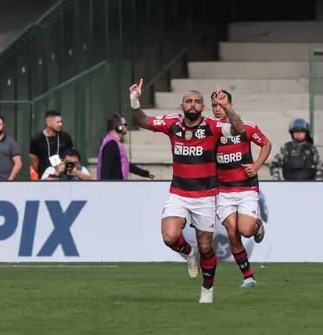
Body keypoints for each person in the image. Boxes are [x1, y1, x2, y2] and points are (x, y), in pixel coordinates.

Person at [130, 79, 244, 304]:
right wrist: (134, 99)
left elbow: (239, 129)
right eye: (188, 101)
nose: (193, 104)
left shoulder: (212, 126)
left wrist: (228, 108)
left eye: (198, 102)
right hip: (179, 193)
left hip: (205, 196)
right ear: (181, 106)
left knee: (206, 246)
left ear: (203, 106)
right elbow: (143, 121)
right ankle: (189, 254)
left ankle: (207, 289)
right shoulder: (172, 123)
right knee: (169, 236)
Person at [211, 89, 272, 289]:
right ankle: (248, 277)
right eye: (214, 105)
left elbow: (266, 144)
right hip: (223, 191)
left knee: (245, 230)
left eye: (222, 104)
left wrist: (256, 166)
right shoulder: (210, 131)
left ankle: (257, 224)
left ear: (230, 104)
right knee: (231, 233)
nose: (218, 108)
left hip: (246, 188)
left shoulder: (245, 127)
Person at [96, 112, 155, 180]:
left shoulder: (114, 143)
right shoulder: (111, 144)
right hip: (113, 187)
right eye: (125, 124)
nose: (126, 127)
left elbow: (127, 165)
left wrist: (146, 173)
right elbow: (105, 169)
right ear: (119, 127)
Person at [29, 111, 73, 179]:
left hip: (64, 177)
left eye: (61, 122)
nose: (60, 124)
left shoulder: (66, 137)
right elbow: (33, 160)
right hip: (45, 177)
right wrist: (44, 172)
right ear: (48, 123)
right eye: (58, 122)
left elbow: (71, 157)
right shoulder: (37, 139)